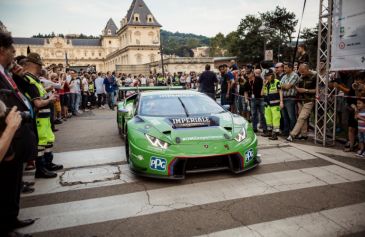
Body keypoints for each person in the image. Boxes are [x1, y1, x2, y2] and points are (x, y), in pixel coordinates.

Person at [0, 32, 35, 237]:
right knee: (5, 185)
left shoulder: (8, 73)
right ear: (1, 51)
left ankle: (11, 218)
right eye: (12, 50)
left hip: (16, 136)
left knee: (13, 182)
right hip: (7, 139)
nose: (15, 55)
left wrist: (18, 75)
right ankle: (6, 226)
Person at [22, 53, 63, 178]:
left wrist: (48, 93)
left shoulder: (34, 79)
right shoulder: (29, 80)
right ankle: (41, 168)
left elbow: (41, 95)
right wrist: (50, 99)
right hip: (39, 117)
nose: (42, 69)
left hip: (44, 117)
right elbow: (38, 103)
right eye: (40, 66)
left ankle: (48, 163)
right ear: (35, 65)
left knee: (48, 140)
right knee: (41, 144)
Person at [286, 64, 317, 142]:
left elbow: (318, 90)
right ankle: (304, 135)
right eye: (300, 72)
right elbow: (297, 86)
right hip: (300, 100)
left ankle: (292, 135)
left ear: (307, 69)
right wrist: (297, 88)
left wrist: (305, 90)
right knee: (303, 118)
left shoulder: (314, 77)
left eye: (303, 72)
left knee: (301, 117)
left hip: (309, 100)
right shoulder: (300, 77)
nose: (301, 73)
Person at [261, 69, 284, 140]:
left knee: (276, 119)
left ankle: (275, 134)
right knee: (268, 119)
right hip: (267, 105)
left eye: (268, 76)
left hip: (275, 104)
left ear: (272, 75)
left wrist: (281, 102)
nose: (266, 77)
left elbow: (280, 92)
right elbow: (261, 94)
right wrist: (264, 85)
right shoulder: (266, 83)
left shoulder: (277, 82)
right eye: (266, 76)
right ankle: (269, 132)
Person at [280, 62, 299, 136]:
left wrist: (283, 86)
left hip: (291, 98)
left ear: (290, 68)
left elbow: (288, 86)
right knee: (284, 116)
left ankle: (293, 132)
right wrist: (284, 86)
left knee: (291, 116)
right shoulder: (284, 76)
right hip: (283, 98)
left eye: (286, 68)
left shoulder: (294, 75)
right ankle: (286, 131)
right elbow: (278, 86)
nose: (284, 69)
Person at [246, 69, 267, 133]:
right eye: (247, 74)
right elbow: (245, 91)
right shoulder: (247, 81)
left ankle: (265, 128)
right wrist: (246, 99)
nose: (247, 75)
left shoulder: (259, 79)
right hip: (253, 99)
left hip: (261, 99)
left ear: (252, 73)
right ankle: (254, 128)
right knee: (254, 114)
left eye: (249, 73)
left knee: (262, 114)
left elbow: (264, 86)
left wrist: (263, 94)